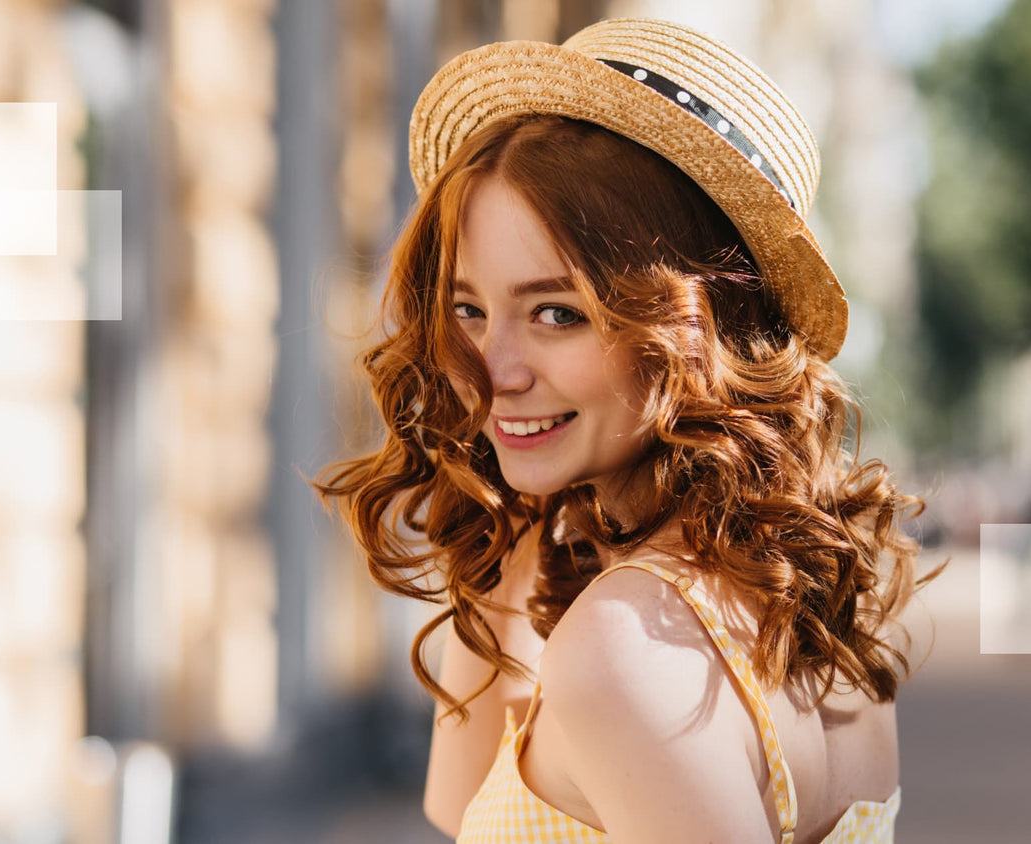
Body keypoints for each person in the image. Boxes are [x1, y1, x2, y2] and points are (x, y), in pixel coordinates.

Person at [316, 17, 941, 844]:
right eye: (469, 309)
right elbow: (461, 805)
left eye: (557, 314)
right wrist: (512, 507)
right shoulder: (816, 609)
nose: (491, 369)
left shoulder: (625, 646)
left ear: (696, 327)